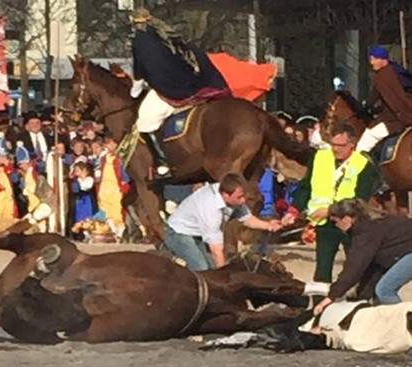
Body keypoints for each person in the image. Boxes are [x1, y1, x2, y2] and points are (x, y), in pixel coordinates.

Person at [130, 7, 231, 179]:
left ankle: (162, 164)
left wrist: (135, 90)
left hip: (169, 87)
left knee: (145, 120)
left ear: (133, 23)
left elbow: (140, 70)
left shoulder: (140, 42)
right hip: (190, 80)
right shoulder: (163, 35)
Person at [288, 121, 379, 283]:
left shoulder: (365, 165)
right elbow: (305, 187)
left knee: (358, 267)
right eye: (333, 145)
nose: (336, 149)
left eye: (341, 145)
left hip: (351, 223)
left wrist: (331, 210)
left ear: (352, 144)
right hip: (324, 223)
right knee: (322, 270)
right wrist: (293, 210)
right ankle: (319, 305)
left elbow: (361, 199)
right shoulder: (319, 157)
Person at [165, 172, 286, 270]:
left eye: (243, 195)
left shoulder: (232, 195)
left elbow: (247, 219)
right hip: (178, 233)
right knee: (201, 268)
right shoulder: (211, 210)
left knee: (212, 268)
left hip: (197, 233)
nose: (243, 200)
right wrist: (225, 278)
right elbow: (217, 250)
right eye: (239, 197)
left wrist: (269, 225)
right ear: (225, 195)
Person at [313, 199, 412, 314]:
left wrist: (331, 297)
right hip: (405, 251)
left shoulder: (367, 231)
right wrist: (361, 296)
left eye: (335, 222)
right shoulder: (368, 225)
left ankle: (404, 325)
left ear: (347, 218)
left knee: (384, 290)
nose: (335, 226)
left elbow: (355, 267)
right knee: (378, 294)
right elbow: (372, 267)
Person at [357, 45, 412, 153]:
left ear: (381, 59)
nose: (371, 63)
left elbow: (372, 99)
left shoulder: (382, 77)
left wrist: (364, 108)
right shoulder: (398, 71)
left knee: (368, 137)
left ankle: (362, 167)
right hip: (407, 114)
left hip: (397, 120)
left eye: (373, 59)